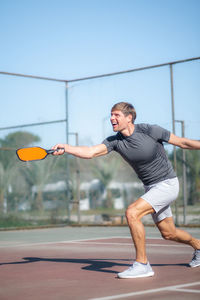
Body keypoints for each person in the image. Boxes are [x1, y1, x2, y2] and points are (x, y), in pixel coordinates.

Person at [52, 101, 200, 279]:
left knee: (132, 212)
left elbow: (183, 142)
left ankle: (142, 264)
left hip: (167, 184)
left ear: (129, 118)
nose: (112, 118)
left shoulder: (150, 130)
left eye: (116, 115)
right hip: (151, 188)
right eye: (111, 115)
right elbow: (90, 152)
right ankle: (198, 246)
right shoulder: (114, 142)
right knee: (169, 233)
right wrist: (66, 148)